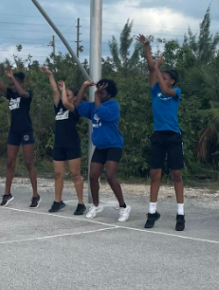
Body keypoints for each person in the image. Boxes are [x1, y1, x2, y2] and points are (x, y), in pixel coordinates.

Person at [62, 79, 130, 222]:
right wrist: (84, 86)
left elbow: (102, 113)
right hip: (101, 146)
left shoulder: (113, 105)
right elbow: (78, 104)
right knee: (93, 175)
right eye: (97, 91)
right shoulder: (93, 106)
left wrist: (96, 96)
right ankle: (96, 205)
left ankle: (124, 206)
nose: (98, 94)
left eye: (102, 92)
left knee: (110, 175)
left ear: (109, 94)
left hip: (114, 144)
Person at [138, 35, 186, 231]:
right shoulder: (154, 90)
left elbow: (166, 90)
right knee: (155, 174)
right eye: (160, 78)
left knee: (176, 174)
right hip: (158, 135)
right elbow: (151, 68)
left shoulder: (176, 92)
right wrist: (147, 46)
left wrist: (158, 68)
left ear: (172, 81)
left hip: (173, 136)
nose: (160, 80)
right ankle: (152, 211)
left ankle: (181, 214)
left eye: (165, 78)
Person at [0, 48, 39, 207]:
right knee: (10, 162)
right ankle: (7, 193)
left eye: (13, 83)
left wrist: (14, 78)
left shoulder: (26, 94)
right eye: (10, 83)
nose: (11, 85)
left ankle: (35, 195)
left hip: (26, 131)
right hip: (14, 132)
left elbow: (23, 93)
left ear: (20, 82)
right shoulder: (10, 94)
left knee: (28, 162)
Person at [40, 65, 85, 214]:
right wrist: (50, 75)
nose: (65, 95)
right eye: (65, 93)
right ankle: (58, 201)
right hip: (59, 144)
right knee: (58, 174)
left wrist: (63, 89)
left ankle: (81, 203)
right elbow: (54, 91)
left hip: (72, 144)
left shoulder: (75, 109)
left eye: (68, 93)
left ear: (74, 97)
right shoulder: (59, 107)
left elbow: (66, 102)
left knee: (75, 174)